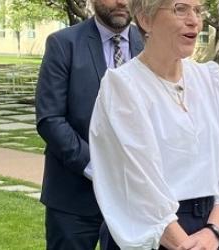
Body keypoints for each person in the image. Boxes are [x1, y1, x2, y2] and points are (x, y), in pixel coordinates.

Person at [88, 0, 219, 249]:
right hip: (152, 233)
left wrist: (214, 231)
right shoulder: (123, 87)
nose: (194, 20)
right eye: (180, 8)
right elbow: (140, 184)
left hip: (209, 229)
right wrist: (185, 244)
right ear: (145, 18)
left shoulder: (210, 79)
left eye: (198, 10)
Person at [35, 0, 144, 248]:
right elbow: (50, 118)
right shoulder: (63, 44)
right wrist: (96, 167)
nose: (122, 2)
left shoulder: (151, 44)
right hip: (74, 196)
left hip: (137, 198)